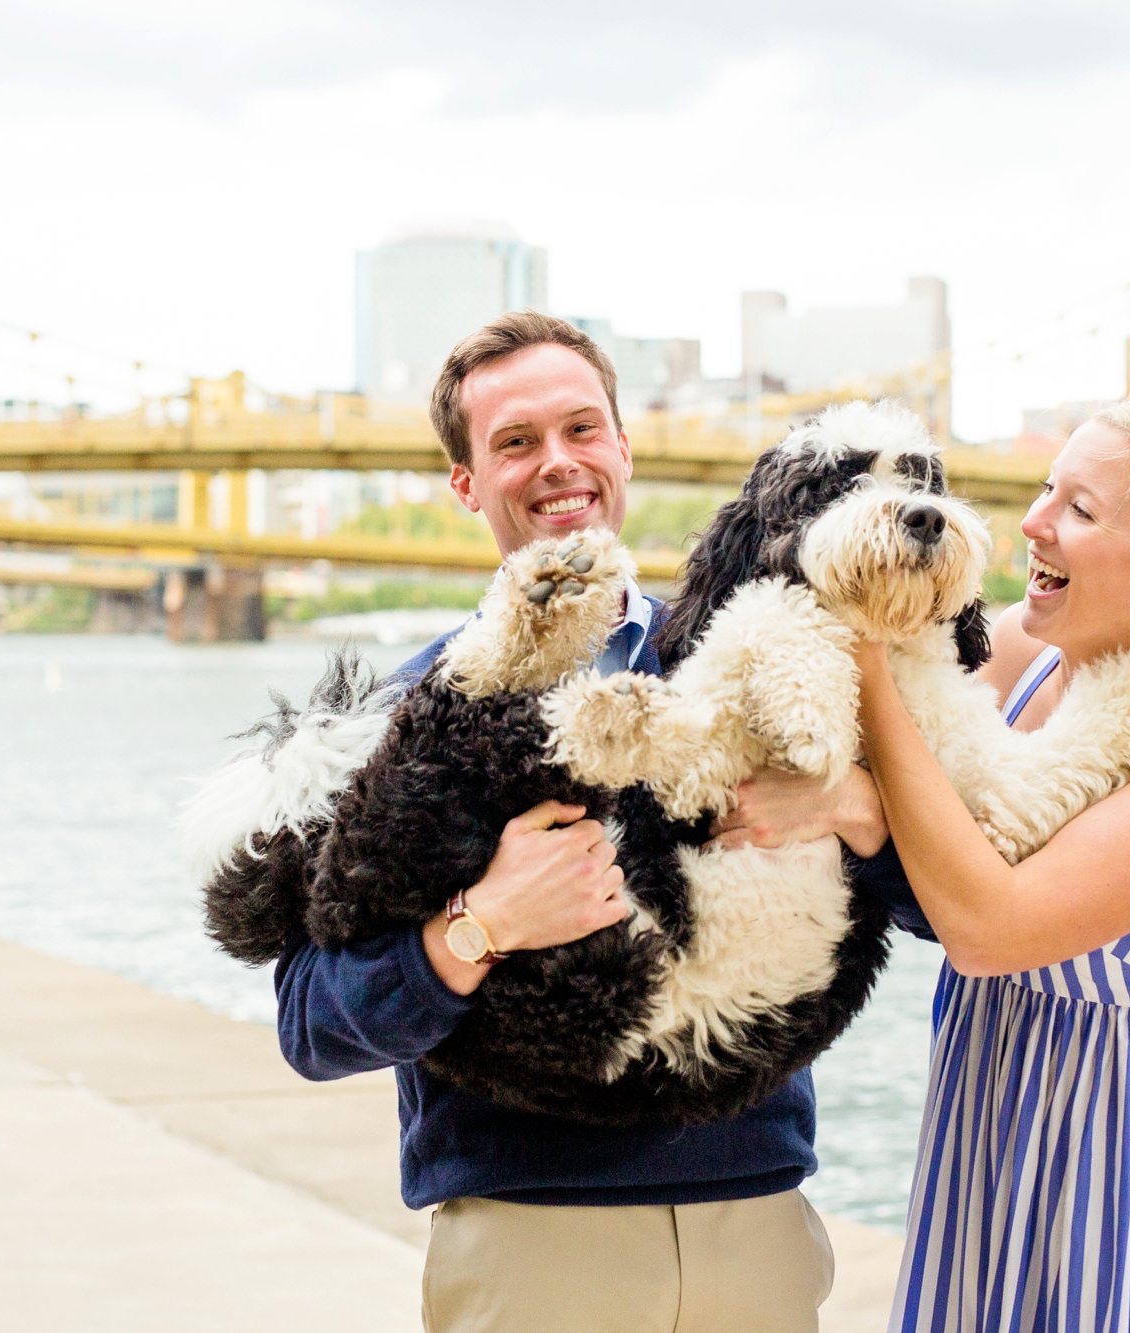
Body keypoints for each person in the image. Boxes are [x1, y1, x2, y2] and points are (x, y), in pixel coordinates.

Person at [273, 311, 902, 1333]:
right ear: (466, 484)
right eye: (514, 442)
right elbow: (310, 1021)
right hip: (532, 1239)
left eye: (580, 429)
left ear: (621, 446)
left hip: (759, 1223)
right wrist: (476, 927)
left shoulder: (766, 660)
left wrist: (851, 807)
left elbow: (944, 906)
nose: (556, 464)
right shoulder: (402, 714)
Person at [854, 401, 1130, 1332]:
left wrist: (869, 673)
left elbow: (992, 930)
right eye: (1044, 489)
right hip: (991, 1111)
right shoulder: (1021, 649)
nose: (1033, 522)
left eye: (1082, 510)